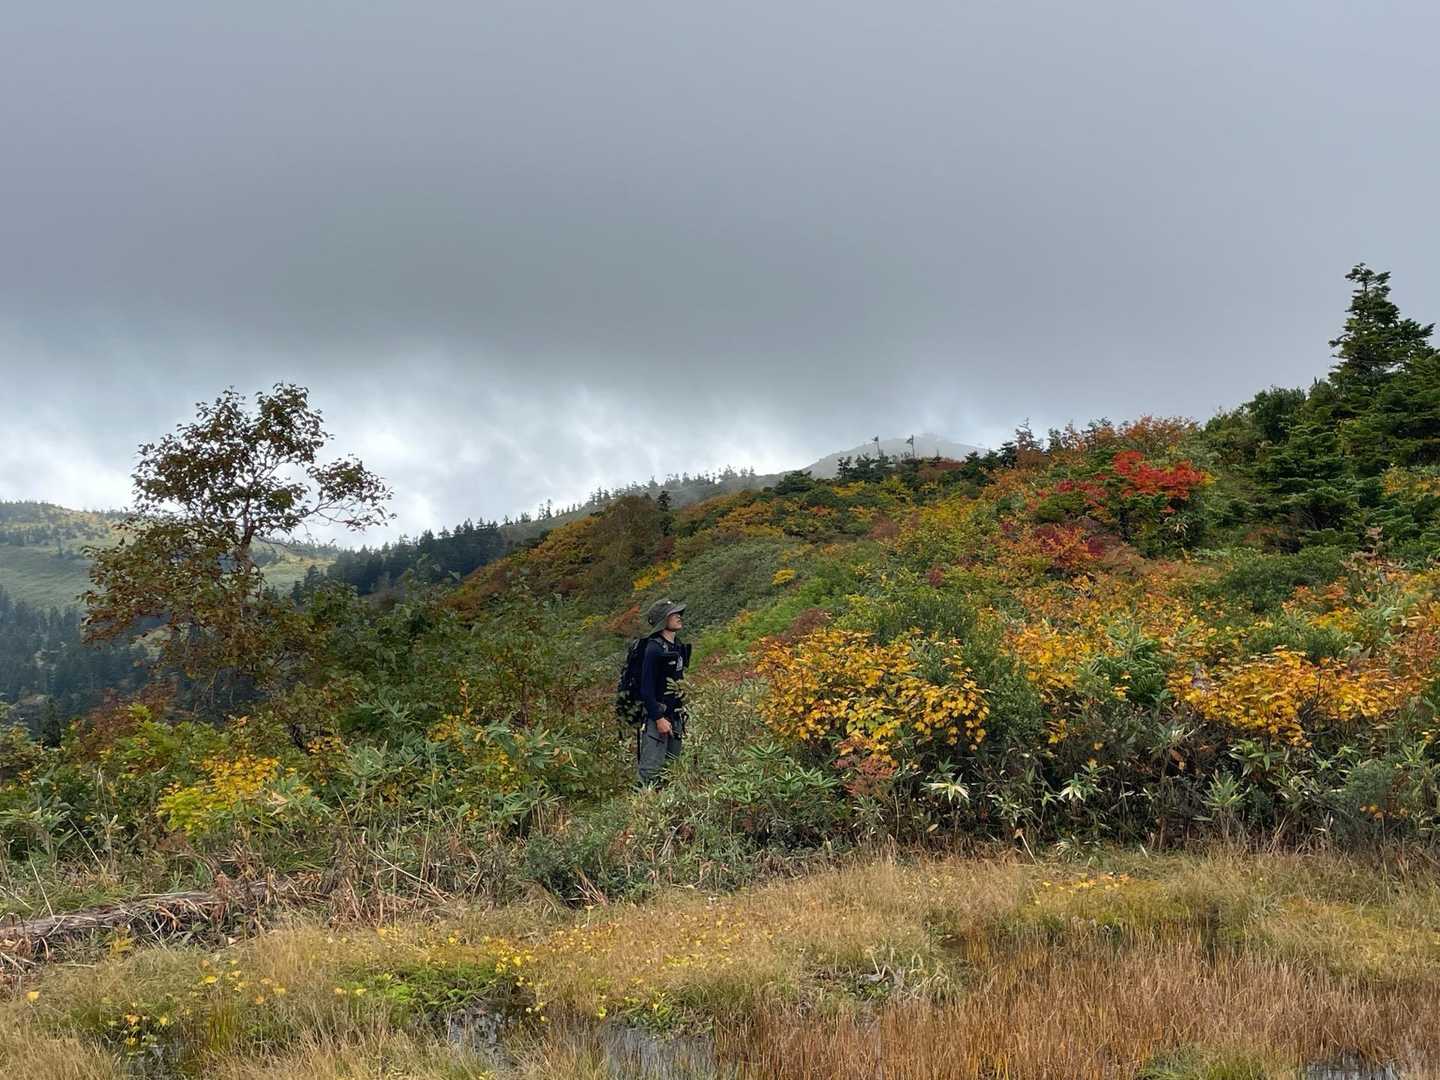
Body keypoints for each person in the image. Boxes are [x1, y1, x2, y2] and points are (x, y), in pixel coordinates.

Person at [637, 597, 692, 787]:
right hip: (658, 718)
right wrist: (658, 718)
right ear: (662, 620)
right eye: (673, 614)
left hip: (675, 716)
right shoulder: (653, 649)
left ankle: (667, 803)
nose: (679, 616)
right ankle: (644, 803)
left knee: (672, 770)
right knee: (651, 772)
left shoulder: (677, 646)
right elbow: (646, 689)